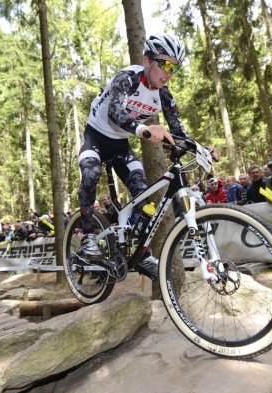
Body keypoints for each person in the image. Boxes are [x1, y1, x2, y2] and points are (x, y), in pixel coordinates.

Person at [77, 33, 203, 281]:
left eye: (174, 68)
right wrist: (145, 130)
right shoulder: (128, 78)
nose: (168, 73)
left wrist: (201, 148)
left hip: (120, 145)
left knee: (143, 194)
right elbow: (115, 112)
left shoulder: (164, 95)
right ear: (147, 61)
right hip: (96, 136)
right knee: (91, 174)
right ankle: (87, 236)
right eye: (164, 64)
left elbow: (178, 132)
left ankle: (141, 254)